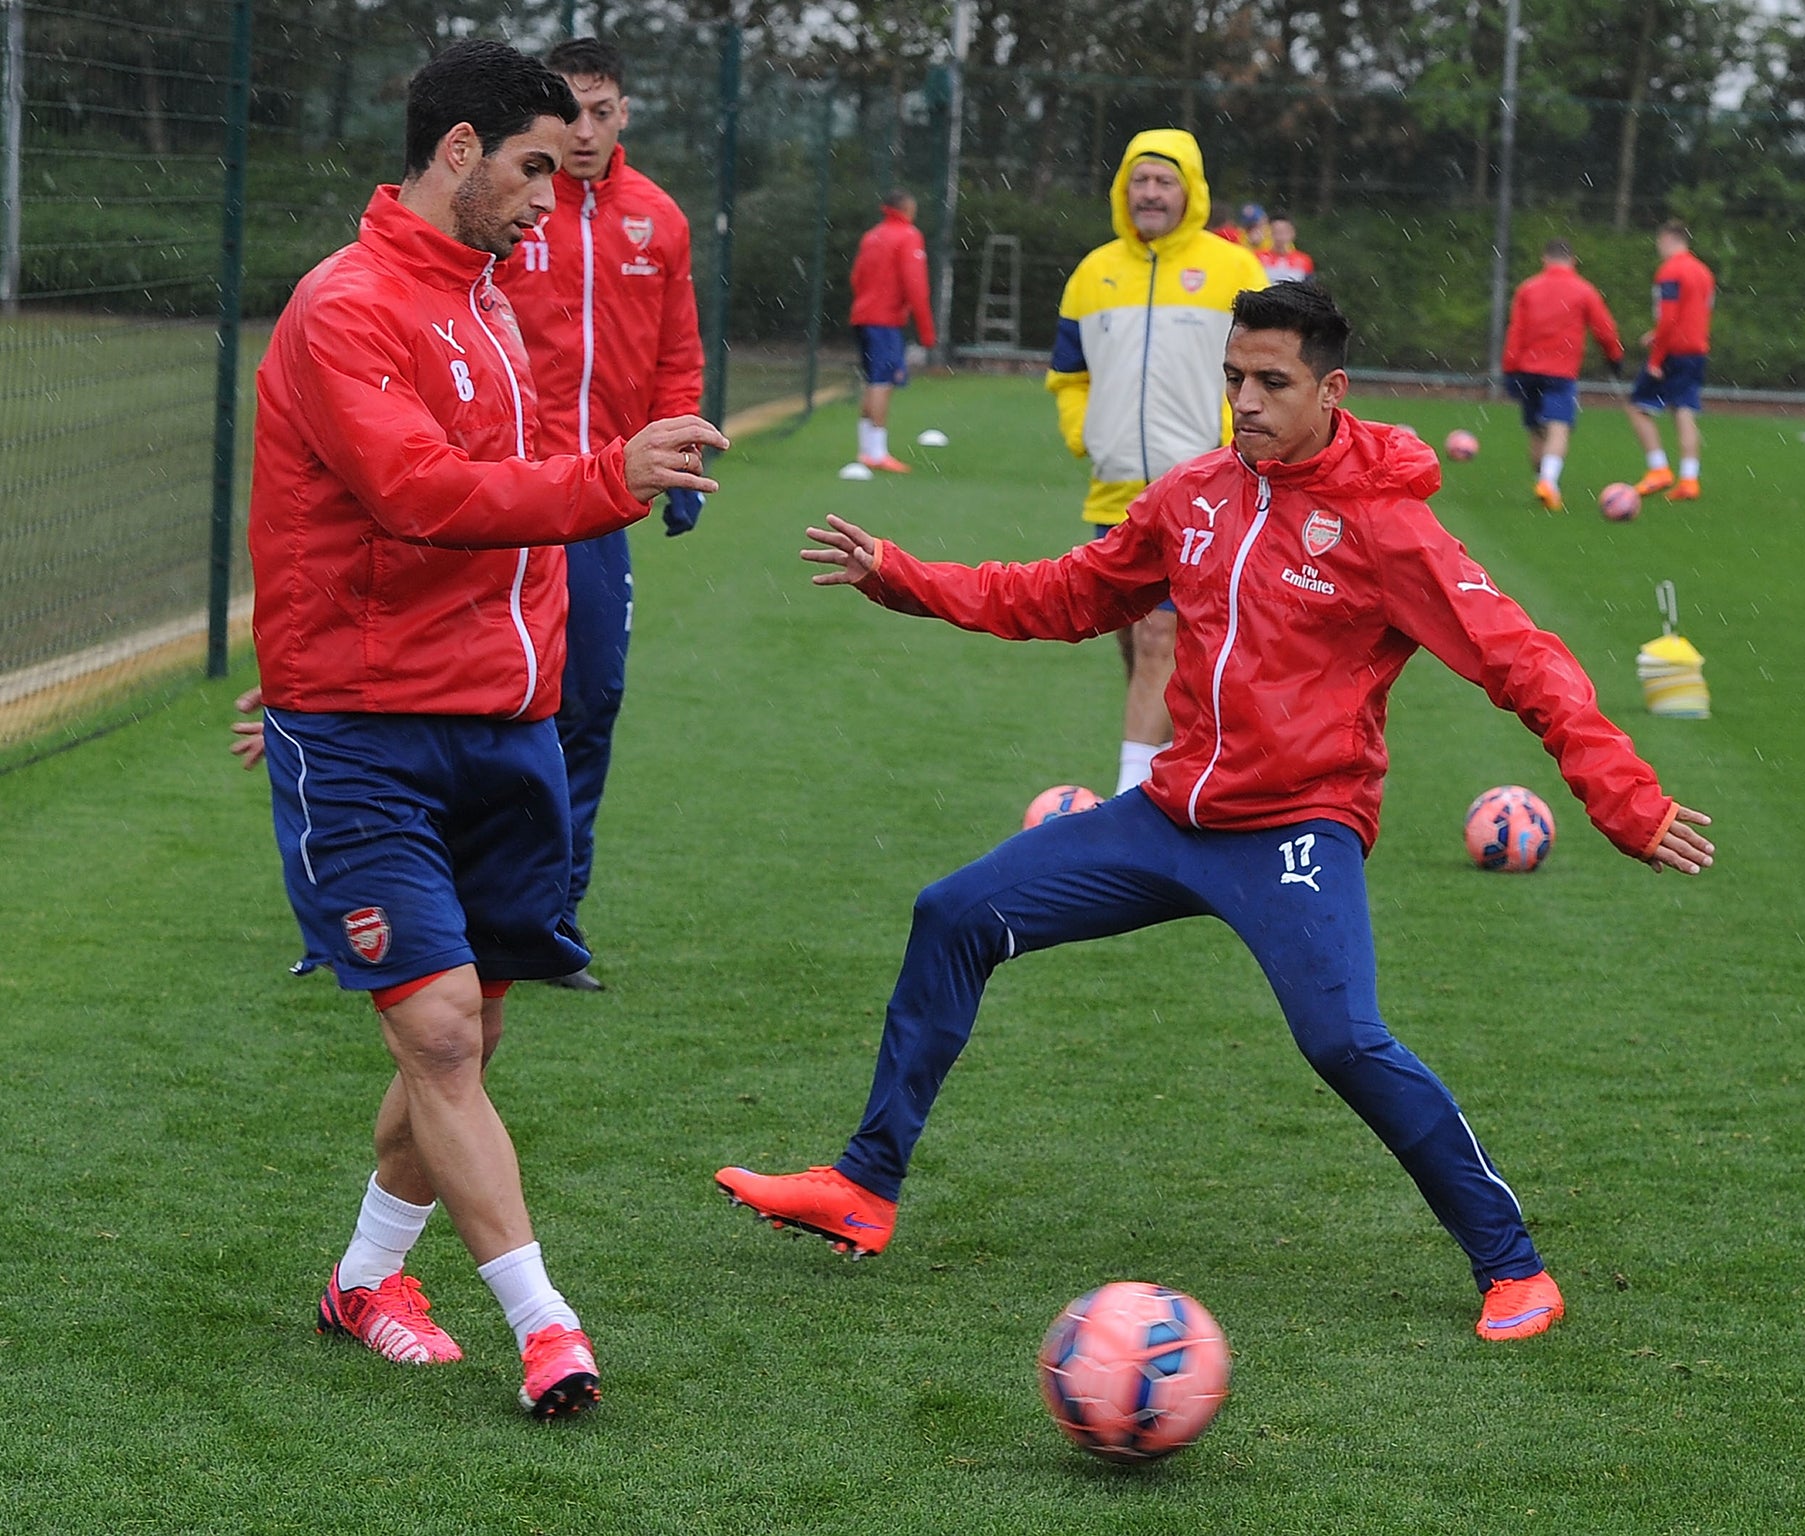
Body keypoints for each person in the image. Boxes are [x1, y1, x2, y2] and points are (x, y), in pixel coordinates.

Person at [715, 282, 1715, 1343]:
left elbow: (1524, 662)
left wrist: (1624, 798)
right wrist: (903, 577)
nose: (1242, 400)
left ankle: (1511, 1266)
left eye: (1269, 381)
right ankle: (863, 1186)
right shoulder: (1193, 494)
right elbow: (1063, 594)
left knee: (1341, 1040)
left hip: (1295, 829)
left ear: (1330, 391)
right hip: (1166, 815)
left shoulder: (1388, 530)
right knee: (953, 913)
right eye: (1233, 376)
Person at [231, 40, 724, 1416]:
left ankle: (365, 1278)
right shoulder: (345, 308)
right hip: (374, 730)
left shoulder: (488, 300)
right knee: (440, 1031)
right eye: (530, 174)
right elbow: (418, 494)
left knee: (468, 1037)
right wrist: (608, 478)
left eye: (565, 184)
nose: (546, 210)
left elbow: (447, 515)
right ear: (459, 148)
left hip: (506, 725)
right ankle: (546, 1325)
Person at [494, 36, 706, 993]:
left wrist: (680, 453)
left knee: (588, 702)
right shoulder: (505, 203)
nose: (584, 133)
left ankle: (551, 918)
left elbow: (676, 351)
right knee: (482, 696)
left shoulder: (657, 220)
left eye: (602, 112)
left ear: (626, 112)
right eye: (568, 111)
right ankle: (411, 901)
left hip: (599, 502)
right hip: (498, 493)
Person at [1045, 129, 1267, 796]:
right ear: (1123, 190)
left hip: (1205, 493)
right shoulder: (1092, 273)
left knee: (1158, 635)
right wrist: (1086, 432)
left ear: (1190, 191)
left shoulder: (1233, 272)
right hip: (1113, 495)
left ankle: (1132, 802)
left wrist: (1237, 443)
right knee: (1136, 640)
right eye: (1139, 181)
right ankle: (1180, 757)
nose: (1150, 193)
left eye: (1163, 181)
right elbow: (1067, 373)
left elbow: (1270, 368)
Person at [1500, 239, 1625, 511]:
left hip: (1527, 369)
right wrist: (1614, 356)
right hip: (1560, 371)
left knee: (1535, 429)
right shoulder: (1583, 290)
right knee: (1558, 425)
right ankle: (1548, 482)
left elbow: (1515, 332)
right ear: (1573, 261)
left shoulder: (1528, 289)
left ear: (1544, 260)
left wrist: (1509, 368)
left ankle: (1540, 480)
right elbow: (1604, 327)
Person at [848, 190, 936, 474]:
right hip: (885, 320)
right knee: (882, 382)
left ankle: (867, 449)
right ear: (908, 208)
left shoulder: (872, 235)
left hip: (863, 315)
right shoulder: (908, 236)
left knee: (872, 379)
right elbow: (916, 285)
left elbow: (856, 277)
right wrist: (926, 332)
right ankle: (876, 452)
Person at [1625, 220, 1714, 502]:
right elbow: (1697, 313)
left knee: (1637, 406)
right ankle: (1689, 479)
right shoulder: (1703, 271)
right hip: (1696, 350)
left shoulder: (1670, 271)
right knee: (1684, 410)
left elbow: (1670, 316)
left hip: (1672, 351)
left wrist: (1656, 356)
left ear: (1667, 239)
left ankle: (1658, 469)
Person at [1258, 216, 1316, 283]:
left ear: (1292, 233)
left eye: (1284, 232)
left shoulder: (1304, 260)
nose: (1280, 237)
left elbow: (1309, 287)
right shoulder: (1258, 258)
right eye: (1275, 232)